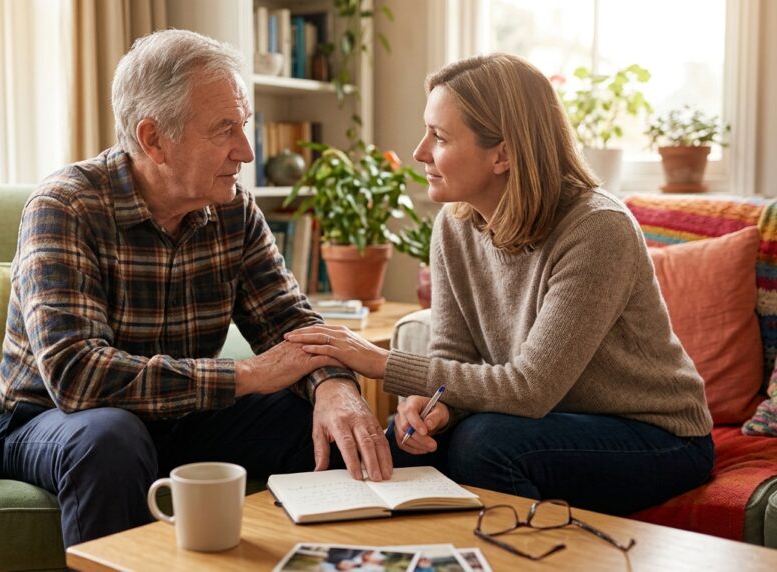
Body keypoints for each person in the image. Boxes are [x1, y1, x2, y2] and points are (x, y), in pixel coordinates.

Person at [0, 29, 392, 547]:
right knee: (111, 436)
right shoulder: (65, 207)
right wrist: (246, 374)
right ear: (154, 139)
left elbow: (289, 321)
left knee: (323, 423)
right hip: (53, 422)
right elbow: (77, 377)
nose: (245, 151)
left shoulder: (233, 210)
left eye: (243, 125)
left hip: (185, 417)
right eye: (225, 129)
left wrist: (334, 387)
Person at [285, 53, 715, 515]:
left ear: (504, 153)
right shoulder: (454, 224)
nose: (420, 152)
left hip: (656, 435)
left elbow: (530, 388)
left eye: (440, 137)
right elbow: (452, 353)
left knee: (484, 443)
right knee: (397, 442)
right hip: (546, 419)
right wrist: (429, 405)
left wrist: (379, 362)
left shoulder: (597, 229)